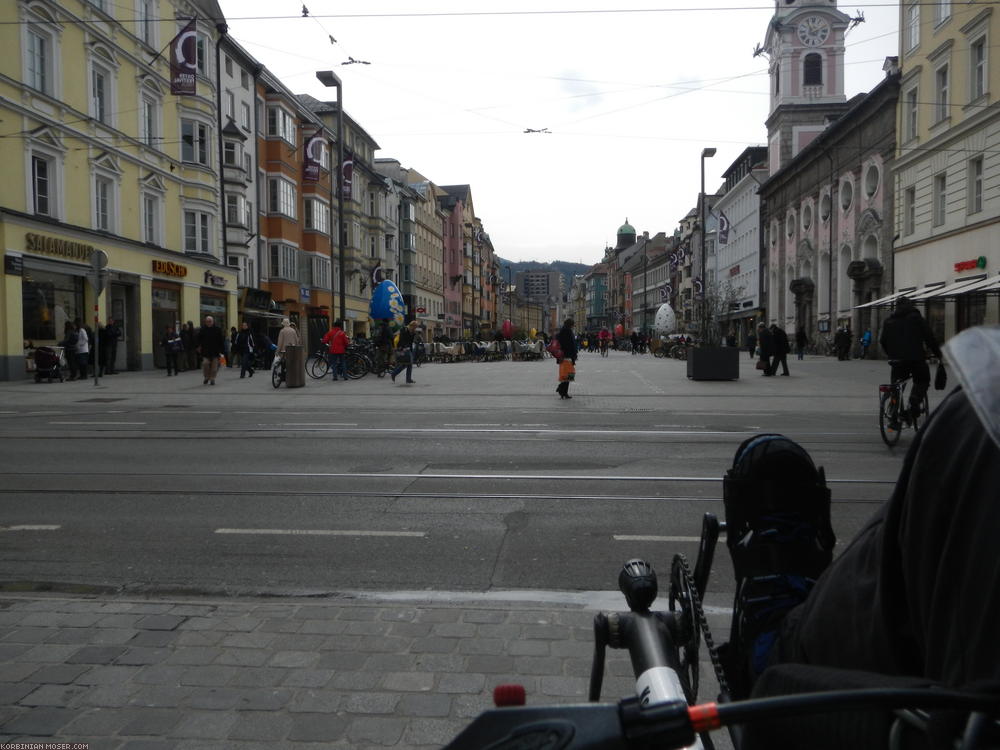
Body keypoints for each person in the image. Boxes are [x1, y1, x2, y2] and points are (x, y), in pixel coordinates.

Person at [724, 325, 1000, 749]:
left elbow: (901, 336)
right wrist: (931, 357)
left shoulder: (894, 323)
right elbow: (925, 334)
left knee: (974, 432)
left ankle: (774, 649)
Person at [879, 297, 942, 423]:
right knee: (922, 380)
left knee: (896, 385)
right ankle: (914, 400)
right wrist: (938, 354)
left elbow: (883, 341)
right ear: (910, 306)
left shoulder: (889, 321)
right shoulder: (917, 319)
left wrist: (891, 354)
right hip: (916, 359)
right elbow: (930, 338)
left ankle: (894, 410)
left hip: (896, 360)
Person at [195, 315, 225, 385]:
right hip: (205, 351)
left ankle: (212, 378)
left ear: (213, 322)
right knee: (205, 364)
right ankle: (206, 377)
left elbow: (221, 340)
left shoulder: (217, 329)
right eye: (207, 321)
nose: (208, 323)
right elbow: (198, 339)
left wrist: (222, 351)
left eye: (210, 321)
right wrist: (197, 346)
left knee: (214, 367)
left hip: (215, 351)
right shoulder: (202, 330)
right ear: (205, 322)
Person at [555, 318, 578, 400]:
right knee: (568, 374)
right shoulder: (567, 331)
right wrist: (573, 355)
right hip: (566, 356)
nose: (573, 326)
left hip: (564, 356)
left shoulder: (564, 330)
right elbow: (569, 344)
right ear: (570, 324)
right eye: (573, 324)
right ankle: (562, 390)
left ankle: (563, 391)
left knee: (567, 374)